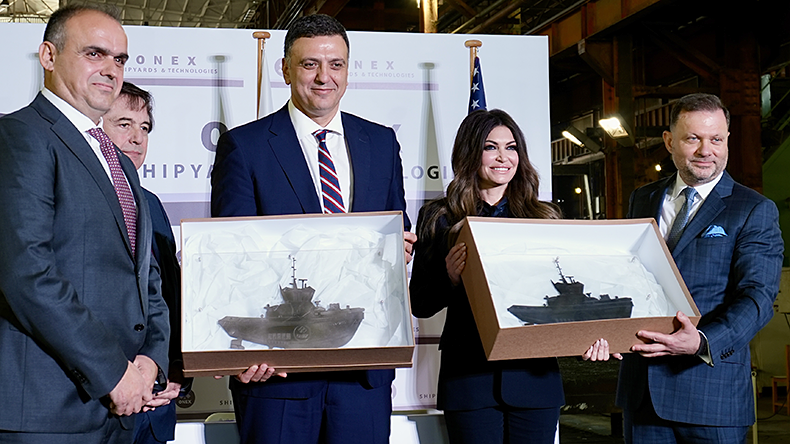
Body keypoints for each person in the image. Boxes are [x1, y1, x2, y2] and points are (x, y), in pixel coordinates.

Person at [210, 13, 416, 444]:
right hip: (277, 378)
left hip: (362, 374)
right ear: (286, 69)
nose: (325, 77)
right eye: (310, 65)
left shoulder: (380, 142)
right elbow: (231, 255)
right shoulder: (244, 146)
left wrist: (403, 246)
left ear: (347, 69)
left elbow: (396, 225)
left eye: (336, 64)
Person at [0, 5, 170, 444]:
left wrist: (151, 360)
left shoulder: (119, 162)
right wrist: (114, 373)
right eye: (94, 54)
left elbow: (145, 278)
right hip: (50, 410)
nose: (110, 69)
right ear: (48, 56)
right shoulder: (20, 136)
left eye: (119, 59)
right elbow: (27, 274)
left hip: (121, 409)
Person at [615, 93, 783, 443]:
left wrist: (703, 341)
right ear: (669, 141)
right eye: (693, 138)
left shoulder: (752, 209)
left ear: (726, 142)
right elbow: (625, 279)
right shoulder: (641, 199)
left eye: (716, 139)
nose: (706, 150)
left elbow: (758, 297)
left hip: (711, 393)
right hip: (642, 392)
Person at [409, 109, 566, 444]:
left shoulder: (544, 217)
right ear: (470, 153)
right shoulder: (438, 217)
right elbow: (420, 303)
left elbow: (561, 302)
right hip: (469, 380)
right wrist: (449, 278)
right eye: (490, 147)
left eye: (511, 148)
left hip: (534, 378)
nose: (503, 157)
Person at [102, 81, 191, 444]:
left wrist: (175, 370)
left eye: (144, 127)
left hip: (157, 405)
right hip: (104, 402)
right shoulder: (72, 197)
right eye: (124, 124)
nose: (137, 138)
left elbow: (169, 295)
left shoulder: (151, 203)